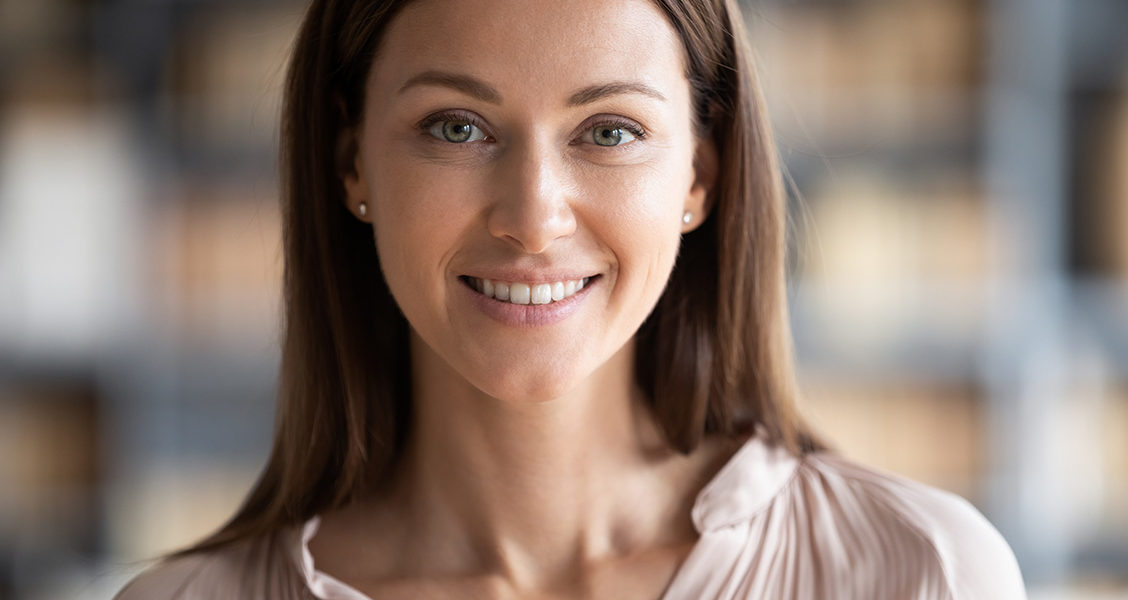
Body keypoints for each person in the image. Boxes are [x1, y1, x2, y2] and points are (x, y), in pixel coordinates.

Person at [118, 0, 1026, 597]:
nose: (533, 219)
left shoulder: (922, 574)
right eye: (458, 126)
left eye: (609, 131)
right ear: (352, 161)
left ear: (699, 177)